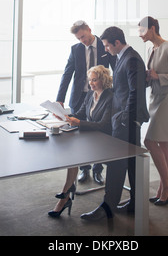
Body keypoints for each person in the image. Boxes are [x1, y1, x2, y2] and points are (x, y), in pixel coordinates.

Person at [80, 26, 149, 221]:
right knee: (132, 164)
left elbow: (136, 92)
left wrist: (125, 118)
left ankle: (108, 206)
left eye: (107, 46)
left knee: (117, 164)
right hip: (124, 119)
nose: (106, 50)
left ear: (117, 43)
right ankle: (135, 203)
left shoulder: (132, 58)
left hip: (126, 121)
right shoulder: (122, 58)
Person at [48, 65, 113, 218]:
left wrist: (78, 123)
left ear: (103, 80)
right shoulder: (90, 95)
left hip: (105, 141)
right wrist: (65, 117)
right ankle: (65, 195)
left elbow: (104, 125)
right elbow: (80, 114)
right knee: (71, 154)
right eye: (90, 80)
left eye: (94, 80)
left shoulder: (111, 96)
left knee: (73, 154)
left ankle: (65, 196)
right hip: (91, 138)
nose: (91, 83)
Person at [56, 20, 115, 185]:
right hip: (80, 96)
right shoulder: (76, 49)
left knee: (99, 133)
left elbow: (115, 69)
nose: (82, 41)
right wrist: (60, 99)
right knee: (80, 133)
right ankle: (84, 169)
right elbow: (67, 74)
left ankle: (97, 171)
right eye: (79, 39)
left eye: (83, 36)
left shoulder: (105, 46)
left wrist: (115, 94)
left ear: (89, 30)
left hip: (101, 94)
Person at [138, 16, 168, 206]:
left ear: (152, 28)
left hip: (167, 99)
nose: (140, 34)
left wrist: (158, 76)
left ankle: (166, 184)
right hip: (155, 98)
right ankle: (162, 186)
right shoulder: (150, 49)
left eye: (142, 30)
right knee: (163, 143)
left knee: (149, 141)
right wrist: (149, 78)